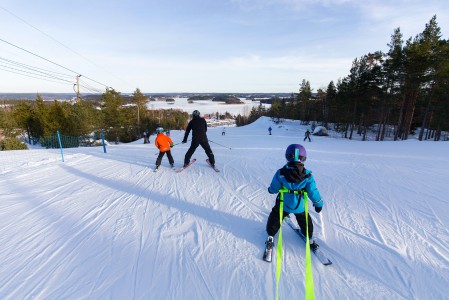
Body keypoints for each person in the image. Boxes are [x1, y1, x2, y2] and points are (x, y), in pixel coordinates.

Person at [265, 144, 323, 250]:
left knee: (276, 215)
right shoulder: (307, 176)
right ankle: (308, 236)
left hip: (284, 203)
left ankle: (271, 234)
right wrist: (318, 203)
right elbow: (313, 191)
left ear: (287, 156)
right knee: (304, 218)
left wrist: (271, 190)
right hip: (299, 205)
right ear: (304, 158)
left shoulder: (281, 173)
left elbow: (274, 187)